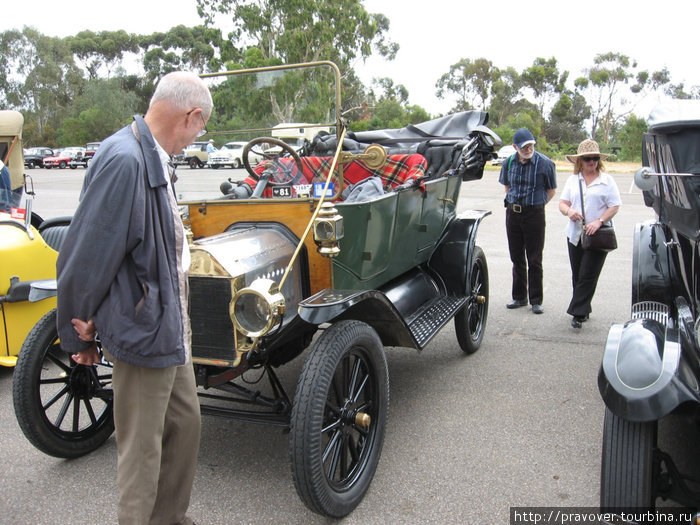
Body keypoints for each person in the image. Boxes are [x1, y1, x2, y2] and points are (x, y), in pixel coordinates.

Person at [56, 71, 212, 525]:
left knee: (185, 427)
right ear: (192, 115)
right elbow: (86, 253)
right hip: (145, 330)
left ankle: (168, 518)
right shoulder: (126, 159)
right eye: (201, 127)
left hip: (168, 326)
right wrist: (78, 330)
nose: (197, 136)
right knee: (142, 452)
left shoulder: (152, 154)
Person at [558, 139, 621, 329]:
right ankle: (584, 308)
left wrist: (599, 221)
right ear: (580, 161)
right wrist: (570, 212)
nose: (591, 162)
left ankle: (577, 313)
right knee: (578, 274)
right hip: (575, 234)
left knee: (588, 274)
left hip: (597, 235)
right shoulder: (573, 180)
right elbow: (562, 203)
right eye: (587, 159)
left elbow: (615, 205)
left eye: (594, 158)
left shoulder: (607, 181)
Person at [499, 128, 557, 314]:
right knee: (516, 257)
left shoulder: (545, 164)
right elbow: (507, 186)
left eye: (531, 145)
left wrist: (536, 206)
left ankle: (536, 300)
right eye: (524, 147)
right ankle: (519, 297)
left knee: (534, 259)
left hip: (535, 215)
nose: (529, 149)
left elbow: (551, 191)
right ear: (515, 147)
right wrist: (517, 204)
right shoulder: (508, 163)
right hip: (513, 214)